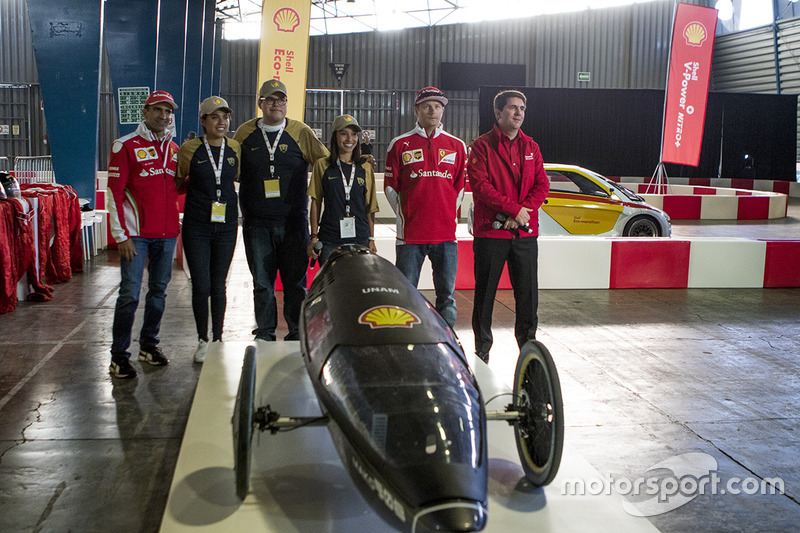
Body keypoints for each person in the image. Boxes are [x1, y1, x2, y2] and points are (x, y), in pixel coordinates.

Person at [233, 79, 329, 342]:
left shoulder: (301, 132)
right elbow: (231, 168)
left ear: (287, 104)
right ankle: (264, 332)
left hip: (293, 223)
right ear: (260, 103)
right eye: (270, 99)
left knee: (295, 283)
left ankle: (297, 332)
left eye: (281, 99)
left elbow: (325, 165)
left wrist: (358, 160)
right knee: (262, 284)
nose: (276, 104)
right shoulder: (244, 133)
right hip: (257, 223)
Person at [468, 90, 550, 363]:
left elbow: (542, 185)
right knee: (485, 294)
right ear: (498, 113)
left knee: (527, 296)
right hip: (491, 232)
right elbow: (481, 187)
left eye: (522, 108)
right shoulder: (481, 146)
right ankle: (482, 350)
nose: (518, 113)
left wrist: (522, 213)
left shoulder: (533, 147)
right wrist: (515, 210)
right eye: (513, 108)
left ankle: (528, 348)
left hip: (525, 234)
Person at [107, 90, 181, 378]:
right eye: (159, 110)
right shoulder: (124, 146)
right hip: (135, 235)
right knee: (129, 294)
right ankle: (118, 356)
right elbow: (113, 192)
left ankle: (148, 346)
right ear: (146, 112)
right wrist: (121, 235)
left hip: (167, 234)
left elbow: (176, 187)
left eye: (168, 111)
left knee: (159, 293)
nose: (164, 116)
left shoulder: (175, 149)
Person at [384, 86, 467, 327]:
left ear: (443, 111)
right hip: (410, 237)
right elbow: (391, 188)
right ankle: (406, 342)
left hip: (446, 236)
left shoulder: (457, 146)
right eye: (427, 106)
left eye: (438, 106)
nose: (433, 110)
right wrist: (407, 217)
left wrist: (447, 214)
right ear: (416, 110)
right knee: (405, 297)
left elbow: (460, 188)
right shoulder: (399, 144)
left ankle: (447, 343)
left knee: (447, 298)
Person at [175, 96, 241, 363]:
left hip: (226, 227)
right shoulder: (189, 149)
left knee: (219, 285)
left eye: (225, 117)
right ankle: (202, 340)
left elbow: (240, 178)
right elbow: (178, 184)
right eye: (215, 117)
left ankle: (218, 338)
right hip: (197, 226)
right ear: (203, 121)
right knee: (201, 285)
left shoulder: (235, 148)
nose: (221, 122)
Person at [307, 114, 378, 265]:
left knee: (358, 285)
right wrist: (314, 237)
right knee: (332, 285)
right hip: (330, 239)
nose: (349, 139)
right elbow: (316, 201)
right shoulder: (322, 165)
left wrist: (371, 239)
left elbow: (370, 206)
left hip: (360, 238)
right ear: (335, 136)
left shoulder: (365, 167)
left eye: (353, 134)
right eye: (343, 133)